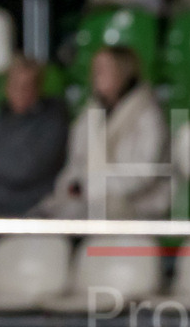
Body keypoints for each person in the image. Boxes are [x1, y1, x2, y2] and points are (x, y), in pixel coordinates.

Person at [32, 46, 170, 220]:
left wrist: (90, 187)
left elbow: (143, 174)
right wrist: (71, 186)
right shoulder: (91, 111)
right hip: (87, 202)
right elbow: (76, 162)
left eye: (103, 69)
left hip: (136, 207)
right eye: (95, 69)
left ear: (124, 71)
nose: (96, 75)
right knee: (38, 220)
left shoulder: (148, 114)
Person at [0, 55, 69, 289]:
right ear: (6, 87)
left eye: (28, 85)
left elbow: (24, 170)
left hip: (29, 206)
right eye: (16, 85)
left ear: (39, 88)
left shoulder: (53, 121)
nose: (21, 92)